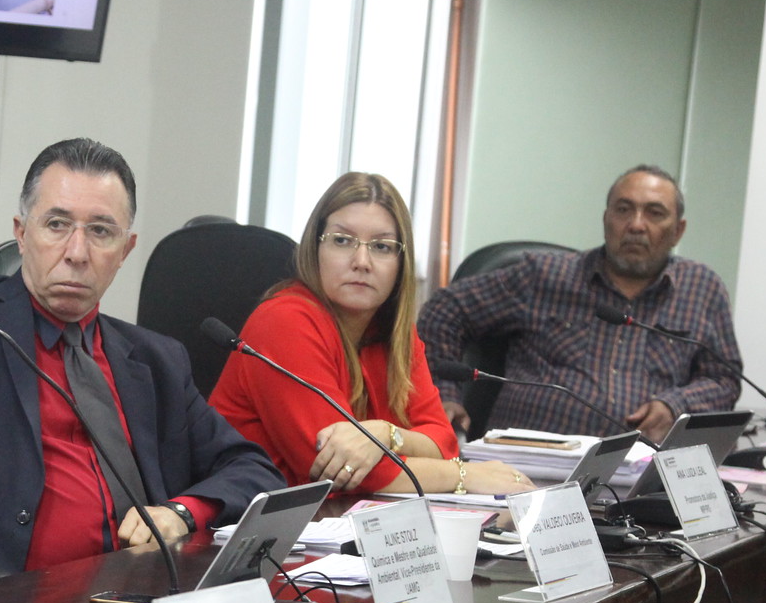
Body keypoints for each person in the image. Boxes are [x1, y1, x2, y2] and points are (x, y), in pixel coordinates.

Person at [0, 137, 282, 579]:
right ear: (21, 233)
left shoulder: (157, 360)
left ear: (126, 250)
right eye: (56, 225)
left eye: (101, 231)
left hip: (134, 595)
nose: (76, 253)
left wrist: (182, 512)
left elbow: (254, 470)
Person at [211, 172, 533, 497]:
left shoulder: (394, 331)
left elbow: (443, 442)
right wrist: (465, 475)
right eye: (342, 240)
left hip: (351, 519)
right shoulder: (284, 321)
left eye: (381, 246)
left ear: (400, 262)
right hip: (249, 519)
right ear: (315, 248)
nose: (362, 262)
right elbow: (336, 471)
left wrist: (385, 434)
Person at [418, 164, 742, 442]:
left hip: (639, 471)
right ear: (606, 219)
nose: (636, 224)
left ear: (678, 231)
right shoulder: (545, 275)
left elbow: (723, 381)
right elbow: (443, 310)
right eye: (623, 209)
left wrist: (676, 405)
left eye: (654, 213)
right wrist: (443, 395)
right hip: (527, 464)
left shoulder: (701, 289)